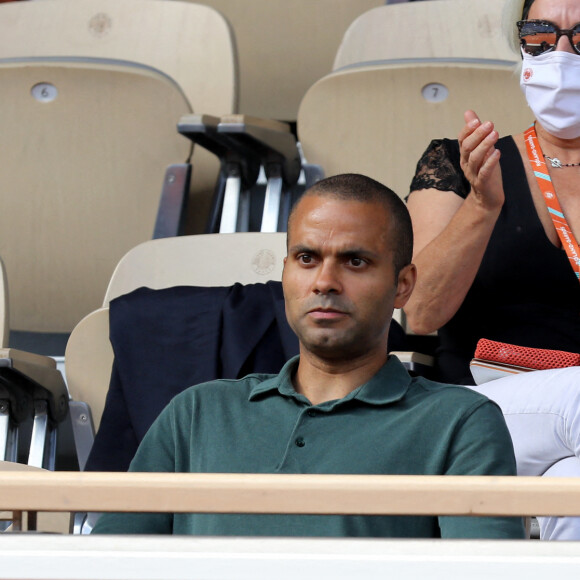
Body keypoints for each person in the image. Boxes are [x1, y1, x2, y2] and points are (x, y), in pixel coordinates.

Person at [91, 173, 524, 539]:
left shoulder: (460, 422)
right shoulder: (196, 412)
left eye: (355, 262)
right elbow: (108, 564)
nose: (325, 282)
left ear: (403, 285)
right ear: (284, 272)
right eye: (306, 258)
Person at [405, 0, 580, 539]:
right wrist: (482, 205)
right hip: (479, 410)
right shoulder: (458, 164)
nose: (562, 53)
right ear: (521, 46)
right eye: (540, 35)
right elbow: (419, 310)